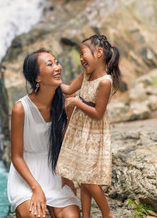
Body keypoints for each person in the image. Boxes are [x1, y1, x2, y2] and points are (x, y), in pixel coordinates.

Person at [7, 48, 80, 218]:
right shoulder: (21, 108)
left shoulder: (66, 100)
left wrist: (66, 175)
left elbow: (67, 142)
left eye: (56, 62)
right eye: (50, 64)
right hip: (27, 176)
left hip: (54, 170)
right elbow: (16, 156)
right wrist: (36, 188)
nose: (57, 67)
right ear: (38, 77)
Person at [56, 35, 121, 218]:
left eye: (83, 53)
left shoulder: (105, 82)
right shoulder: (85, 74)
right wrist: (52, 82)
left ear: (99, 53)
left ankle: (107, 214)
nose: (81, 58)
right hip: (80, 131)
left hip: (93, 133)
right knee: (83, 179)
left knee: (89, 179)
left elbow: (98, 113)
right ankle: (86, 216)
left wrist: (76, 103)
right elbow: (69, 89)